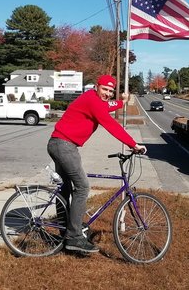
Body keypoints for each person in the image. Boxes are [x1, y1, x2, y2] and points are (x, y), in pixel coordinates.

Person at [47, 74, 147, 253]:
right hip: (64, 146)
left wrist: (121, 102)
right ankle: (74, 237)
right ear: (96, 87)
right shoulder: (92, 101)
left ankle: (64, 232)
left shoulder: (95, 100)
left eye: (110, 91)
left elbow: (107, 105)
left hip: (59, 143)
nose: (107, 93)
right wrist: (134, 144)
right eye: (104, 89)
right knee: (83, 187)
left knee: (66, 190)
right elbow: (111, 124)